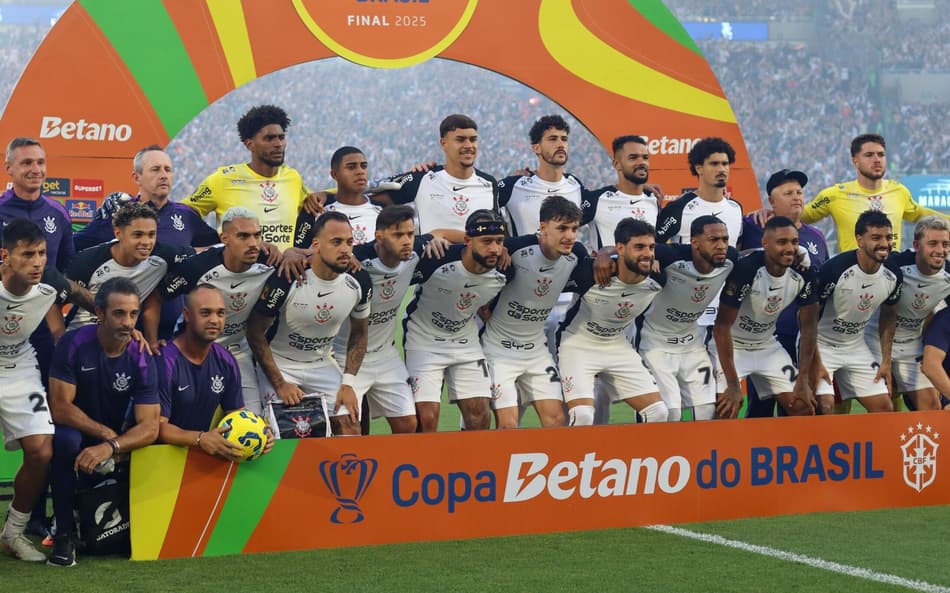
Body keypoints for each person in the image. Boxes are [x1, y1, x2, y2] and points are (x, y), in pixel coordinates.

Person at [47, 278, 161, 567]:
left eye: (133, 314)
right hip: (79, 430)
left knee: (154, 444)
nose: (127, 322)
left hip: (115, 441)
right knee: (65, 441)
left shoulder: (141, 356)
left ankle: (136, 524)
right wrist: (104, 436)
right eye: (119, 313)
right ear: (99, 313)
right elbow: (60, 407)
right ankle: (64, 534)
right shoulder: (74, 343)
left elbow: (150, 426)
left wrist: (111, 445)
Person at [247, 211, 372, 436]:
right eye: (336, 242)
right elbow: (255, 333)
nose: (345, 249)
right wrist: (280, 384)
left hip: (321, 363)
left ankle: (342, 472)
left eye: (349, 242)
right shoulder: (287, 278)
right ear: (316, 245)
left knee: (351, 424)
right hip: (280, 364)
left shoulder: (360, 280)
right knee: (283, 431)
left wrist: (348, 383)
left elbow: (359, 335)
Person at [153, 207, 274, 415]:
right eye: (243, 236)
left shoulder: (269, 262)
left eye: (257, 235)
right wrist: (152, 338)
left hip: (238, 351)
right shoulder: (198, 267)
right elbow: (154, 299)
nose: (253, 243)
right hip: (193, 351)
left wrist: (294, 253)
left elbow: (309, 259)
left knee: (251, 419)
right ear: (224, 238)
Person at [481, 196, 588, 429]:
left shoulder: (576, 255)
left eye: (574, 229)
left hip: (536, 351)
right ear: (543, 228)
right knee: (508, 425)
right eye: (561, 228)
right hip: (498, 350)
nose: (569, 236)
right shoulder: (516, 248)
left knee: (558, 420)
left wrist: (604, 253)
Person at [0, 219, 71, 562]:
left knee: (42, 451)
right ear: (5, 256)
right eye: (28, 255)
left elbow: (80, 307)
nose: (38, 262)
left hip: (20, 366)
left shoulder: (48, 285)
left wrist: (123, 327)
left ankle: (12, 534)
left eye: (41, 253)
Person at [348, 206, 450, 434]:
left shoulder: (415, 252)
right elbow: (319, 255)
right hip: (347, 355)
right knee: (349, 426)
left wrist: (437, 238)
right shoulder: (357, 258)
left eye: (410, 234)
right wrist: (294, 253)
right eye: (398, 235)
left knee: (408, 425)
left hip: (385, 355)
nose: (406, 241)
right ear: (379, 236)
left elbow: (446, 234)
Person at [557, 218, 669, 426]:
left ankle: (637, 458)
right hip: (578, 345)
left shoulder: (658, 277)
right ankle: (574, 458)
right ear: (621, 249)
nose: (647, 253)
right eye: (639, 247)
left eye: (651, 247)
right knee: (582, 415)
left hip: (617, 345)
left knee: (658, 413)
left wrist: (606, 251)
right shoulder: (591, 274)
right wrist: (603, 253)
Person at [405, 209, 509, 432]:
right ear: (468, 240)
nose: (494, 248)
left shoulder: (504, 270)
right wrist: (430, 237)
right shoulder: (436, 258)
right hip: (424, 340)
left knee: (480, 417)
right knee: (426, 420)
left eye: (499, 241)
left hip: (465, 341)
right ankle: (426, 466)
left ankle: (471, 465)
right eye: (487, 241)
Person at [738, 169, 830, 417]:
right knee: (761, 408)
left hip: (802, 336)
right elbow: (732, 262)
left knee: (801, 406)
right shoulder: (751, 226)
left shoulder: (816, 236)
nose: (797, 197)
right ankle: (754, 455)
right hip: (764, 335)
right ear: (771, 201)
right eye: (788, 193)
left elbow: (820, 285)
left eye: (799, 192)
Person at [713, 216, 820, 418]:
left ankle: (778, 449)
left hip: (766, 345)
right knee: (724, 410)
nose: (790, 248)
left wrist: (803, 379)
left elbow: (809, 327)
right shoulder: (747, 269)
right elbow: (721, 328)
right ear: (765, 244)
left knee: (803, 407)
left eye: (794, 242)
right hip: (732, 346)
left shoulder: (804, 273)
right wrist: (734, 385)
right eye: (782, 242)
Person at [637, 215, 739, 421]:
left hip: (692, 342)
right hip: (655, 340)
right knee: (669, 412)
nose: (721, 246)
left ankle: (698, 453)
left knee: (706, 411)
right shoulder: (670, 254)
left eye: (725, 239)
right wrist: (606, 252)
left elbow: (757, 257)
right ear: (694, 242)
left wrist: (799, 252)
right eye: (713, 240)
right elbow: (633, 251)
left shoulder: (731, 260)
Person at [157, 284, 270, 459]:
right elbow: (156, 427)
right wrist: (200, 438)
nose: (215, 320)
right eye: (205, 313)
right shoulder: (164, 361)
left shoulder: (226, 360)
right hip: (158, 458)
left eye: (220, 313)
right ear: (187, 315)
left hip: (202, 456)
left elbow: (235, 416)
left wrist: (257, 432)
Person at [183, 104, 315, 254]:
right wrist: (210, 243)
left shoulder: (293, 178)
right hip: (238, 274)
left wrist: (322, 195)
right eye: (269, 138)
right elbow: (183, 213)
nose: (278, 144)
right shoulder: (222, 179)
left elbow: (323, 202)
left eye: (281, 137)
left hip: (282, 274)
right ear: (250, 144)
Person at [812, 210, 902, 414]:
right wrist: (814, 360)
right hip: (821, 345)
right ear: (860, 240)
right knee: (824, 406)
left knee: (884, 408)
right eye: (876, 238)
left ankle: (875, 447)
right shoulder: (835, 269)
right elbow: (809, 317)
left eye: (888, 237)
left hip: (855, 346)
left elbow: (889, 315)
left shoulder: (893, 274)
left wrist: (886, 361)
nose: (884, 243)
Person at [65, 203, 193, 345]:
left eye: (152, 234)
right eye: (137, 235)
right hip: (80, 339)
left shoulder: (164, 256)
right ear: (118, 233)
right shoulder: (88, 260)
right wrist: (59, 340)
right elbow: (56, 299)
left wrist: (152, 342)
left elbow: (204, 258)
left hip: (123, 340)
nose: (146, 242)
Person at [801, 134, 946, 251]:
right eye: (869, 155)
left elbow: (920, 214)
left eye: (881, 155)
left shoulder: (899, 191)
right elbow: (801, 217)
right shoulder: (833, 195)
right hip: (851, 279)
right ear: (855, 161)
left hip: (892, 276)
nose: (877, 160)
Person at [370, 114, 499, 243]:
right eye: (460, 140)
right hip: (433, 262)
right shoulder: (421, 178)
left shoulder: (489, 183)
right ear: (443, 143)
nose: (469, 145)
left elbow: (498, 230)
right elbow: (369, 196)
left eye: (473, 139)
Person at [867, 216, 950, 410]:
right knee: (882, 405)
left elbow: (937, 315)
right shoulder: (894, 265)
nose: (940, 250)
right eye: (932, 243)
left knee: (931, 405)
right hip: (873, 341)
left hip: (911, 344)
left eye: (945, 244)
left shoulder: (948, 276)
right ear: (916, 245)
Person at [74, 145, 220, 251]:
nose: (163, 175)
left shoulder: (187, 215)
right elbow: (71, 246)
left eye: (167, 170)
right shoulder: (118, 213)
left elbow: (223, 241)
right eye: (155, 169)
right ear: (137, 178)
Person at [496, 115, 585, 237]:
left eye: (564, 139)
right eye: (553, 139)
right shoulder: (512, 185)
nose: (561, 144)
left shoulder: (575, 185)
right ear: (537, 148)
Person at [581, 135, 661, 250]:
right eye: (633, 158)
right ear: (617, 164)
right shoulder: (597, 199)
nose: (641, 162)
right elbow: (561, 227)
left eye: (645, 157)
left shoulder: (653, 200)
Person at [294, 146, 381, 248]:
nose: (360, 171)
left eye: (364, 166)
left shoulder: (381, 210)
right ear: (334, 174)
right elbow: (298, 253)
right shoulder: (315, 209)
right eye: (351, 167)